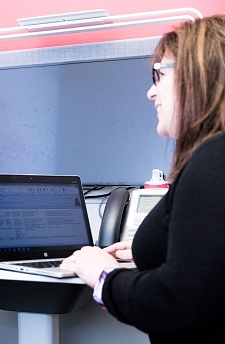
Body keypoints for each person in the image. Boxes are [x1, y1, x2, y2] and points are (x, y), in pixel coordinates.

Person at [60, 14, 225, 344]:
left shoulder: (213, 160)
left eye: (158, 75)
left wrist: (102, 273)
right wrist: (157, 253)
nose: (151, 93)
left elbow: (176, 302)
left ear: (196, 77)